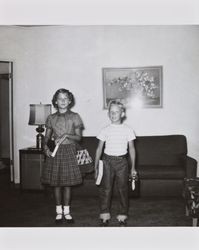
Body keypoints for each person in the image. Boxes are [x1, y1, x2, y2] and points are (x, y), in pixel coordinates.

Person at [41, 88, 84, 223]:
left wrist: (66, 135)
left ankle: (67, 211)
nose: (63, 101)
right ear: (55, 101)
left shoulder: (75, 116)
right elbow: (47, 137)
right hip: (55, 152)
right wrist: (45, 148)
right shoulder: (51, 118)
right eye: (60, 98)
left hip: (69, 151)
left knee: (67, 184)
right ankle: (58, 211)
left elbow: (78, 137)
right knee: (56, 184)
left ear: (70, 101)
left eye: (66, 98)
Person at [95, 100, 137, 226]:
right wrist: (96, 166)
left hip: (122, 162)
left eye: (116, 112)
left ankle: (122, 215)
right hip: (107, 161)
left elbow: (132, 149)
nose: (113, 114)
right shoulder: (105, 130)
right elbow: (99, 149)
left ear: (122, 114)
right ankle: (104, 214)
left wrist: (133, 167)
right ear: (108, 114)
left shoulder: (128, 130)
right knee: (106, 189)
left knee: (123, 189)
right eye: (111, 112)